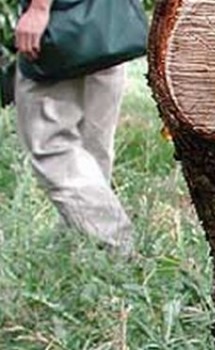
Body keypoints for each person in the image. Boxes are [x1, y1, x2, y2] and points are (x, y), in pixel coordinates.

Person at [14, 0, 134, 256]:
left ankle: (114, 242)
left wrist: (38, 8)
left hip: (61, 24)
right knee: (92, 148)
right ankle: (83, 249)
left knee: (51, 146)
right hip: (105, 27)